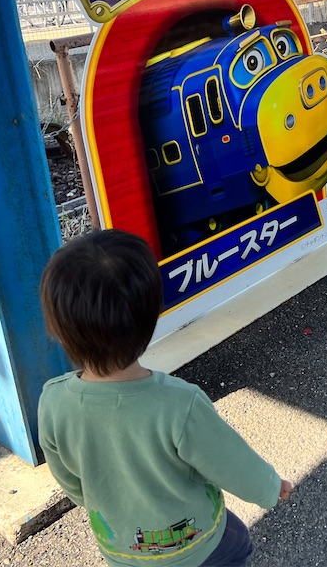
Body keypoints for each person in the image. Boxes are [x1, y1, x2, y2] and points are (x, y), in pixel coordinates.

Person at [37, 228, 291, 567]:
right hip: (200, 547)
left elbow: (71, 482)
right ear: (151, 316)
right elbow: (230, 462)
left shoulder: (53, 403)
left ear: (57, 329)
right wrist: (269, 487)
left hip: (123, 552)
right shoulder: (179, 404)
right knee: (236, 543)